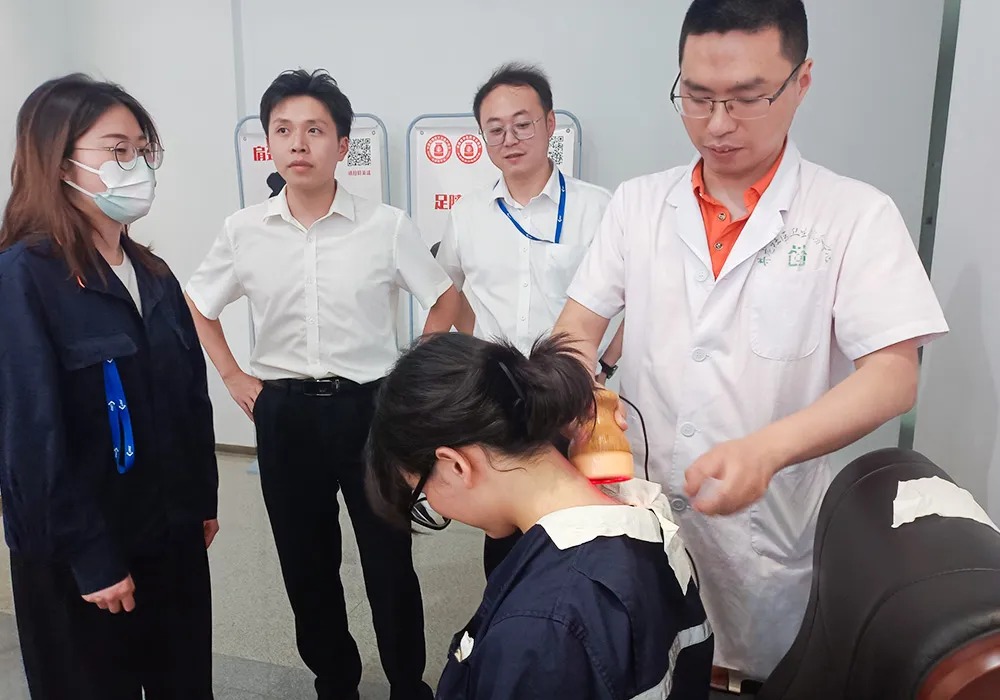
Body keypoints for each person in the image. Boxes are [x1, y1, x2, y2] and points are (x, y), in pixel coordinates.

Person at [554, 0, 949, 689]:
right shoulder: (639, 205)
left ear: (801, 82)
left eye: (745, 98)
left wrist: (766, 450)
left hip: (766, 540)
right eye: (697, 96)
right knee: (646, 665)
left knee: (758, 675)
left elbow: (893, 375)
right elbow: (576, 328)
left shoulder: (854, 216)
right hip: (640, 511)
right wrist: (577, 394)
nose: (717, 124)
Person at [185, 69, 457, 700]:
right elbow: (199, 303)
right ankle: (334, 682)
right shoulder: (244, 230)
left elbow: (443, 298)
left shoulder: (385, 225)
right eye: (283, 131)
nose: (298, 143)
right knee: (306, 564)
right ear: (269, 144)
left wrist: (411, 375)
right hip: (284, 414)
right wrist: (232, 374)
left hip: (370, 412)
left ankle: (407, 684)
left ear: (342, 144)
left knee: (389, 560)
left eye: (314, 130)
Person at [0, 74, 218, 698]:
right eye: (117, 151)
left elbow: (188, 400)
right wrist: (91, 558)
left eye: (142, 151)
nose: (137, 167)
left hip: (169, 536)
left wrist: (201, 499)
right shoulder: (24, 278)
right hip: (81, 557)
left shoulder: (153, 273)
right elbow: (28, 442)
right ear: (58, 160)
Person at [366, 332, 713, 699]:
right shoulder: (648, 519)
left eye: (422, 496)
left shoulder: (539, 628)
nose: (435, 508)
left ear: (455, 465)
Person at [435, 63, 625, 576]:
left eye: (523, 124)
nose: (510, 139)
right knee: (504, 533)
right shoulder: (467, 214)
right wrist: (479, 349)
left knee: (579, 524)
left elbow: (636, 298)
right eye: (495, 129)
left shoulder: (598, 208)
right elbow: (449, 291)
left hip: (571, 392)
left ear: (549, 123)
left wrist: (604, 365)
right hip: (496, 397)